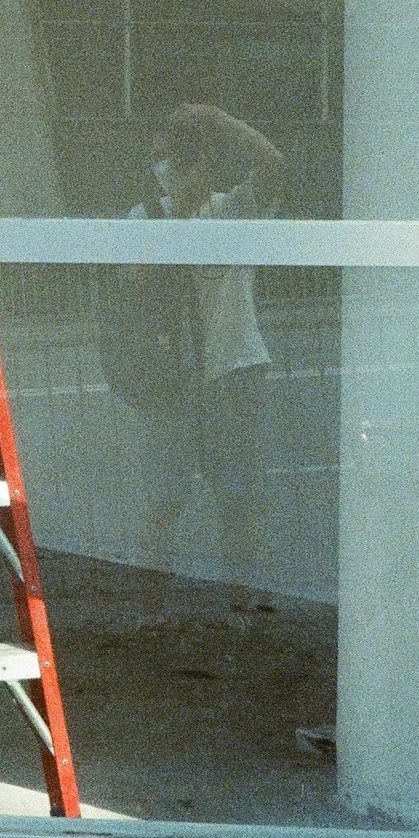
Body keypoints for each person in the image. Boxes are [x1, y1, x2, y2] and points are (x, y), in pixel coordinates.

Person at [137, 101, 284, 591]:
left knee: (237, 498)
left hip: (235, 370)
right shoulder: (145, 218)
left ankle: (243, 598)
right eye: (177, 160)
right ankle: (154, 597)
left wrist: (226, 123)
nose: (187, 169)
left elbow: (274, 168)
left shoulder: (228, 209)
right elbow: (138, 288)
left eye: (196, 157)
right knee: (165, 496)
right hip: (173, 376)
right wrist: (175, 217)